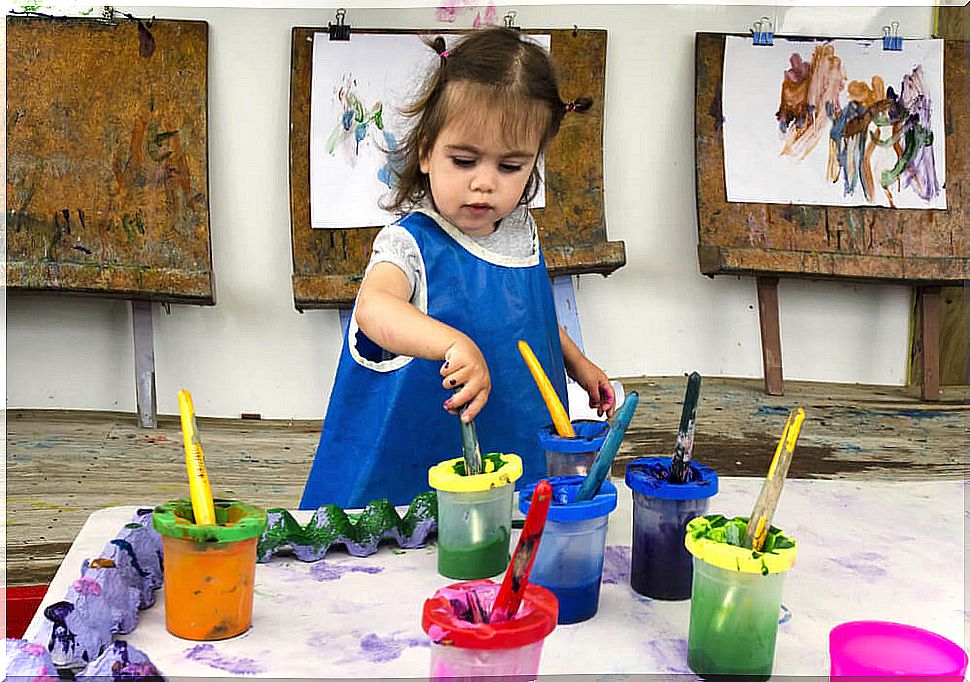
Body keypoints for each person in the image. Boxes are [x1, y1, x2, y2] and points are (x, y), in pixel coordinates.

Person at [300, 27, 615, 510]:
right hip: (413, 475)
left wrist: (576, 362)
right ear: (426, 151)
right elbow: (373, 307)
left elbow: (528, 321)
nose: (484, 184)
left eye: (511, 167)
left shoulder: (520, 233)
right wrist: (451, 343)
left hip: (514, 451)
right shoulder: (410, 244)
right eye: (464, 160)